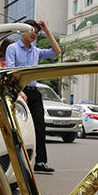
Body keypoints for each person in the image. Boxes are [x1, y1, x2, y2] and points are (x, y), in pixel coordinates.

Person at [6, 19, 61, 173]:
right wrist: (19, 91)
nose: (34, 34)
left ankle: (40, 162)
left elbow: (57, 51)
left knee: (40, 127)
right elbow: (11, 71)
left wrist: (46, 30)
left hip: (34, 92)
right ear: (22, 31)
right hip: (18, 91)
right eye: (31, 31)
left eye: (37, 32)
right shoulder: (12, 48)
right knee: (17, 128)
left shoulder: (36, 51)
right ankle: (16, 162)